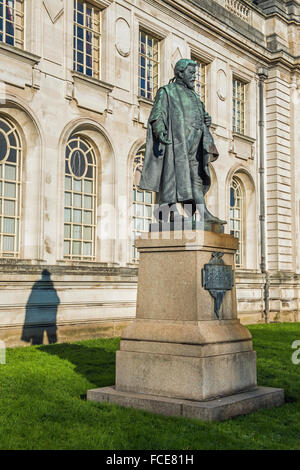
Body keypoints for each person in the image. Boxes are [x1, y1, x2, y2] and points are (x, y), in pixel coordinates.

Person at [139, 58, 225, 226]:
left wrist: (205, 119)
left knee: (196, 178)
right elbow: (157, 114)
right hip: (177, 142)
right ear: (180, 73)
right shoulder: (167, 91)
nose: (194, 77)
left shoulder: (193, 95)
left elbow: (198, 114)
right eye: (191, 73)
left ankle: (203, 212)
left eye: (195, 73)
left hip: (195, 143)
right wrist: (159, 129)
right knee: (170, 178)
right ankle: (166, 214)